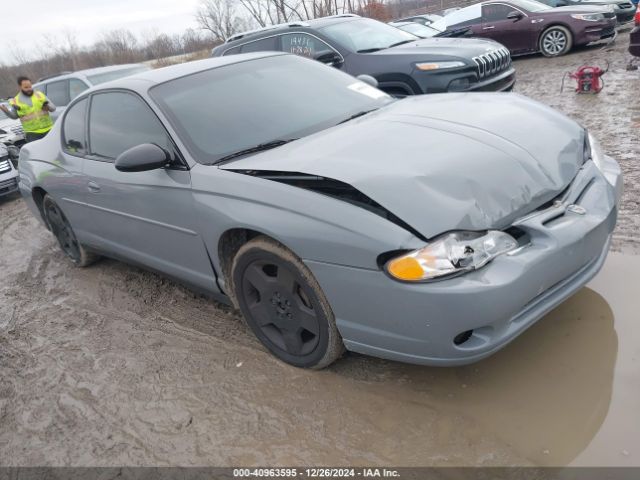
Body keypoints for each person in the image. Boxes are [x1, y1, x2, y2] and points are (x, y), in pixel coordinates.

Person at [0, 76, 56, 143]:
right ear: (20, 87)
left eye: (30, 86)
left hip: (49, 130)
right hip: (32, 134)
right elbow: (14, 116)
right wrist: (6, 111)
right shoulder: (16, 101)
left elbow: (53, 108)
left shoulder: (39, 95)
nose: (29, 89)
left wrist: (48, 107)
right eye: (26, 87)